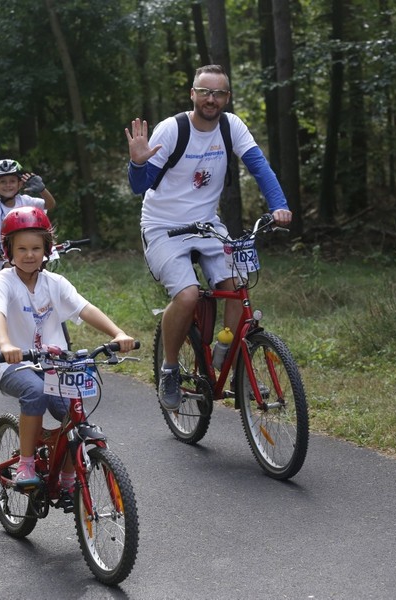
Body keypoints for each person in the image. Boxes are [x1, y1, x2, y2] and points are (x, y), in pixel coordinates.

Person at [125, 64, 293, 411]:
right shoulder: (173, 130)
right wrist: (138, 163)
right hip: (163, 227)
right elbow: (139, 187)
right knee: (187, 296)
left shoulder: (232, 127)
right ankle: (170, 368)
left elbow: (260, 167)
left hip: (207, 225)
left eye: (218, 93)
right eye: (204, 92)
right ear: (193, 94)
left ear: (226, 98)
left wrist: (279, 205)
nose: (211, 99)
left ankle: (229, 361)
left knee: (238, 286)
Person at [0, 206, 135, 502]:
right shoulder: (3, 281)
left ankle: (66, 477)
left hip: (55, 363)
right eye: (22, 248)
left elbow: (85, 308)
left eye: (36, 248)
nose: (29, 255)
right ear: (9, 250)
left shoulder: (56, 283)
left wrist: (117, 333)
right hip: (13, 363)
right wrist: (5, 345)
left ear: (47, 250)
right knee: (35, 393)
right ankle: (26, 464)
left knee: (73, 411)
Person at [0, 159, 55, 269]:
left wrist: (42, 190)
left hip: (29, 251)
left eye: (12, 181)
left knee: (42, 271)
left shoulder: (26, 201)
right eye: (3, 182)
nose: (8, 185)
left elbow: (50, 204)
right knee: (12, 272)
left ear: (20, 184)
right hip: (6, 256)